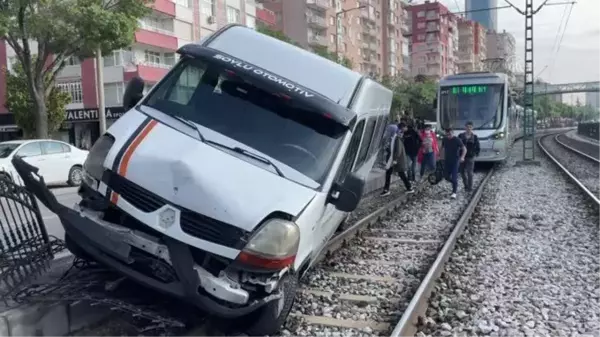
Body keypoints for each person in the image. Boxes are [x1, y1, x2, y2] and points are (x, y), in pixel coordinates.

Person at [381, 123, 414, 196]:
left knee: (401, 174)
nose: (388, 132)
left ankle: (409, 187)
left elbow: (398, 150)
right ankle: (386, 189)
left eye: (389, 130)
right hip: (392, 159)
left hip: (396, 160)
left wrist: (395, 159)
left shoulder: (396, 138)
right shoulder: (393, 138)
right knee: (390, 173)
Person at [441, 127, 467, 199]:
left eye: (449, 134)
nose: (448, 136)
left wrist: (462, 157)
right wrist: (441, 157)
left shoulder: (457, 140)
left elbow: (464, 149)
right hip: (447, 160)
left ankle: (454, 192)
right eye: (447, 134)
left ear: (452, 133)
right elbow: (442, 148)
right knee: (446, 176)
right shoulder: (445, 139)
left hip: (455, 160)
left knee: (454, 177)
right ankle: (455, 184)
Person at [458, 121, 480, 192]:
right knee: (462, 172)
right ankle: (466, 185)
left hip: (470, 157)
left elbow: (477, 146)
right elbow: (457, 145)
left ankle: (470, 187)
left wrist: (476, 153)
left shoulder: (475, 137)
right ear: (465, 127)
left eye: (470, 127)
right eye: (467, 127)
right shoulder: (460, 136)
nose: (469, 128)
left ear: (472, 128)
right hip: (461, 157)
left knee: (470, 173)